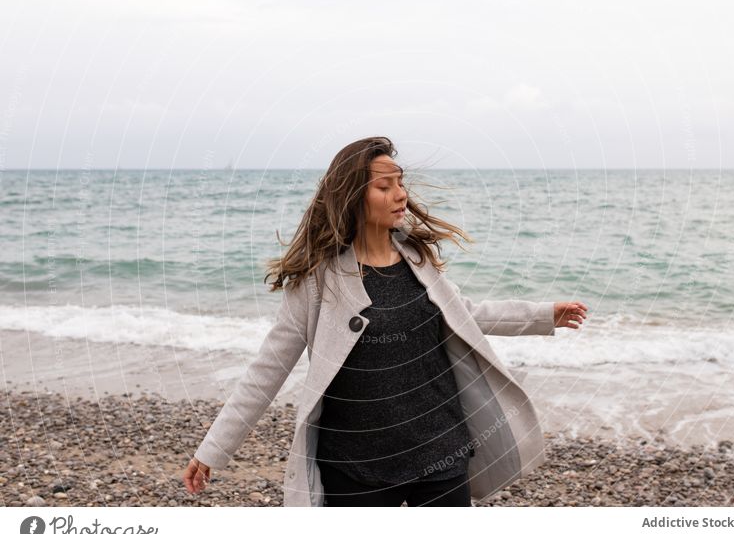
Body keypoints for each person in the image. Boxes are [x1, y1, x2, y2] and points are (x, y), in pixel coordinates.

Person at [182, 136, 588, 506]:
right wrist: (214, 449)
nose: (400, 195)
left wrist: (543, 315)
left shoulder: (418, 259)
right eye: (385, 186)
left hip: (441, 454)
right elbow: (268, 368)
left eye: (400, 183)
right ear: (353, 197)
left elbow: (467, 313)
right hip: (357, 470)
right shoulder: (318, 281)